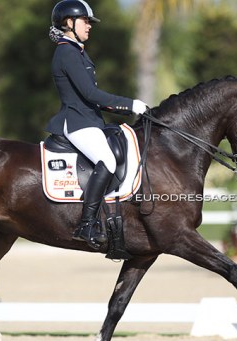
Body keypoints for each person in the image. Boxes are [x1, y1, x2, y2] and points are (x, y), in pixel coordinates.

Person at [46, 0, 148, 252]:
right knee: (108, 160)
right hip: (77, 121)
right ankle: (86, 224)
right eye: (85, 21)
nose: (89, 26)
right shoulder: (67, 52)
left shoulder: (77, 50)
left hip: (88, 120)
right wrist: (130, 104)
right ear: (69, 23)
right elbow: (91, 94)